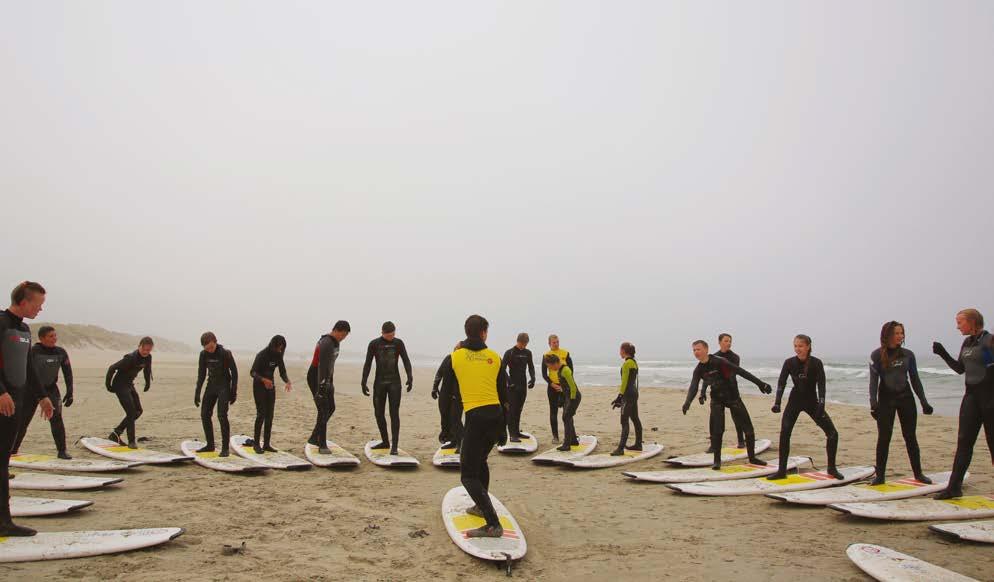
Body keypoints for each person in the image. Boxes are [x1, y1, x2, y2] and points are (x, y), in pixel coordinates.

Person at [1, 281, 54, 537]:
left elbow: (29, 368)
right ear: (24, 301)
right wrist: (0, 391)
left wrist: (43, 397)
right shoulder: (1, 322)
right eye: (38, 304)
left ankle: (4, 520)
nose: (40, 309)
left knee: (3, 460)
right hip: (3, 399)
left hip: (16, 402)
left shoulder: (24, 329)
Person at [450, 314, 508, 538]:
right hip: (496, 417)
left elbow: (448, 395)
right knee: (481, 460)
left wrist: (451, 426)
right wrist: (504, 428)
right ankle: (479, 506)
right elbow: (504, 395)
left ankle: (492, 523)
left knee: (467, 475)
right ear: (484, 332)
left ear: (466, 332)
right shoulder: (495, 357)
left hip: (476, 418)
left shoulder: (455, 357)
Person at [932, 308, 994, 499]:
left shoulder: (989, 341)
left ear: (972, 322)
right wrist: (943, 354)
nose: (957, 326)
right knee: (964, 442)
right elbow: (960, 369)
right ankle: (954, 487)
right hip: (971, 398)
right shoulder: (967, 342)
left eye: (960, 322)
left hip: (990, 399)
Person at [682, 340, 771, 469]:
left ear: (706, 350)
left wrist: (760, 384)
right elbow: (693, 386)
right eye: (694, 350)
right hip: (717, 400)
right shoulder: (699, 369)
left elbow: (740, 371)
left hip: (733, 397)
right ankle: (717, 461)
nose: (696, 352)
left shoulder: (719, 361)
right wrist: (687, 402)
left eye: (698, 349)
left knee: (748, 429)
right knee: (718, 431)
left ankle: (752, 458)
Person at [768, 335, 844, 480]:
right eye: (795, 346)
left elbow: (821, 384)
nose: (798, 349)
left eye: (800, 346)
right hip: (795, 400)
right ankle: (781, 471)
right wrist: (777, 402)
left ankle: (832, 469)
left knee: (832, 433)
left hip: (812, 401)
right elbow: (781, 383)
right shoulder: (789, 363)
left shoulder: (816, 363)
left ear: (808, 346)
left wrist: (821, 403)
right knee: (785, 433)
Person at [869, 321, 933, 485]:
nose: (900, 336)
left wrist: (923, 401)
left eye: (902, 333)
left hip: (906, 398)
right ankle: (880, 475)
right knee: (884, 437)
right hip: (885, 400)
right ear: (888, 335)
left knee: (910, 437)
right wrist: (873, 403)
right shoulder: (876, 355)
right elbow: (873, 382)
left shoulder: (908, 355)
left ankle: (918, 474)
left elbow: (915, 379)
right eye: (897, 333)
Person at [12, 325, 74, 459]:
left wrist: (70, 391)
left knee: (57, 419)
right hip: (31, 390)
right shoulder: (34, 351)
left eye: (55, 335)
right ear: (42, 338)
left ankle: (62, 451)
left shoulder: (61, 352)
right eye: (51, 336)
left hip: (51, 389)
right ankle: (13, 449)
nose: (54, 339)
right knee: (23, 421)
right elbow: (24, 370)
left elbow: (67, 372)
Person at [361, 321, 413, 455]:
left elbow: (406, 360)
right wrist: (364, 381)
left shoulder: (398, 343)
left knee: (394, 413)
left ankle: (394, 446)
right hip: (379, 382)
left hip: (394, 382)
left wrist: (410, 376)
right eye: (388, 335)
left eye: (393, 334)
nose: (391, 337)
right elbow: (368, 363)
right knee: (378, 413)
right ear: (382, 333)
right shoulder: (374, 344)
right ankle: (385, 441)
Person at [306, 320, 350, 454]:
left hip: (326, 377)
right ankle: (322, 444)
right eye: (343, 335)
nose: (343, 338)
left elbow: (330, 365)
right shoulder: (326, 343)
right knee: (323, 409)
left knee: (331, 407)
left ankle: (314, 437)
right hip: (316, 376)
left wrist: (331, 382)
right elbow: (322, 367)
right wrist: (321, 388)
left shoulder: (335, 343)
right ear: (337, 330)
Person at [193, 332, 238, 456]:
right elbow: (201, 374)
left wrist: (233, 391)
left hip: (224, 386)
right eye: (207, 348)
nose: (210, 350)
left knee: (222, 415)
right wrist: (197, 392)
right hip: (211, 385)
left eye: (211, 347)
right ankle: (210, 445)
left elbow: (234, 373)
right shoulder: (203, 355)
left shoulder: (225, 353)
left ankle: (225, 448)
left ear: (216, 341)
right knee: (204, 414)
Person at [105, 336, 154, 448]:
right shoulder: (130, 358)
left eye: (149, 350)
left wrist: (147, 383)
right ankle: (131, 441)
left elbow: (147, 370)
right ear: (139, 346)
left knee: (138, 411)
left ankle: (116, 433)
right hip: (120, 385)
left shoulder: (148, 357)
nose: (146, 352)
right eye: (144, 349)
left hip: (129, 384)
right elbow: (112, 368)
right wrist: (108, 385)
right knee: (131, 412)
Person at [249, 335, 291, 454]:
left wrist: (287, 380)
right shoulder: (262, 355)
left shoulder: (278, 355)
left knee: (270, 416)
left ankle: (266, 444)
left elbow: (282, 371)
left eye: (282, 348)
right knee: (261, 414)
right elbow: (252, 372)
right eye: (278, 348)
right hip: (259, 386)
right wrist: (263, 380)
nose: (280, 350)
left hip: (270, 388)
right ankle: (256, 444)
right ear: (273, 345)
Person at [705, 333, 747, 450]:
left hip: (732, 391)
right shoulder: (713, 357)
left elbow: (733, 373)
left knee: (737, 416)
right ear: (719, 342)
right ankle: (713, 445)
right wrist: (703, 391)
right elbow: (709, 375)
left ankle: (740, 440)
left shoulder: (735, 357)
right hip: (717, 392)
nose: (728, 343)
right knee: (714, 419)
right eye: (726, 341)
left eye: (730, 341)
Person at [501, 333, 535, 442]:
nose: (523, 346)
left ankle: (517, 432)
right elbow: (502, 369)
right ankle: (512, 434)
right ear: (518, 341)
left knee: (519, 409)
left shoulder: (527, 353)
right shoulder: (510, 352)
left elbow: (531, 367)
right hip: (512, 386)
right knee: (512, 410)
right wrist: (509, 381)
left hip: (522, 384)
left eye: (525, 344)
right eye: (522, 344)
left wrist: (533, 378)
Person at [610, 342, 642, 455]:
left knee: (624, 421)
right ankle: (638, 444)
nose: (619, 352)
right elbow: (632, 381)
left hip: (628, 395)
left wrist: (620, 396)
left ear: (624, 351)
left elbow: (624, 382)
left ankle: (620, 449)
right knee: (635, 418)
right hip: (634, 393)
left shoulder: (627, 364)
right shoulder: (634, 362)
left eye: (620, 350)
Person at [545, 354, 581, 452]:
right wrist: (562, 397)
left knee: (566, 417)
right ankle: (573, 440)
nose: (550, 369)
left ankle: (567, 444)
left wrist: (571, 400)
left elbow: (573, 386)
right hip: (568, 397)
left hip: (574, 397)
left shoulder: (565, 370)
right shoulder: (559, 370)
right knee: (568, 417)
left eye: (550, 366)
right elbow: (564, 386)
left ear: (555, 363)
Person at [541, 334, 574, 443]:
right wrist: (551, 384)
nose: (556, 344)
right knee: (553, 412)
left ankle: (570, 436)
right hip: (552, 387)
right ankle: (555, 437)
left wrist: (564, 386)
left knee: (567, 412)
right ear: (549, 343)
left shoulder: (565, 353)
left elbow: (571, 371)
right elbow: (544, 374)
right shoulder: (546, 355)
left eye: (557, 342)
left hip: (564, 388)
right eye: (554, 342)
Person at [432, 342, 464, 451]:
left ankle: (461, 443)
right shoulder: (448, 358)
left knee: (455, 419)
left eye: (459, 348)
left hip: (458, 394)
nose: (456, 349)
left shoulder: (464, 362)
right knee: (444, 417)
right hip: (445, 393)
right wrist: (434, 387)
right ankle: (452, 441)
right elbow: (439, 373)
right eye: (456, 347)